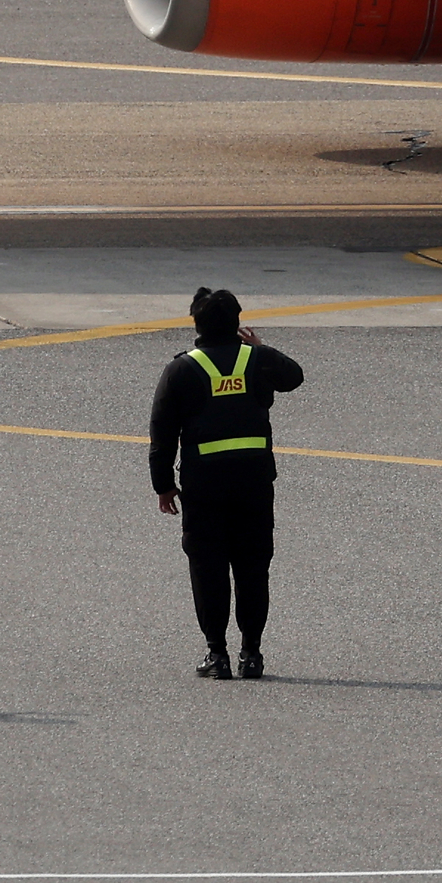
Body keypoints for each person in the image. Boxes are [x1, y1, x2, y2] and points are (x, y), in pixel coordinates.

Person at [147, 286, 303, 681]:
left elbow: (162, 434)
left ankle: (217, 654)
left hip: (204, 487)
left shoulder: (181, 369)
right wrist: (261, 347)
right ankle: (252, 652)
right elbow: (294, 376)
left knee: (208, 568)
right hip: (253, 482)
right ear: (237, 324)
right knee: (253, 567)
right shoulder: (258, 360)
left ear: (196, 324)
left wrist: (163, 486)